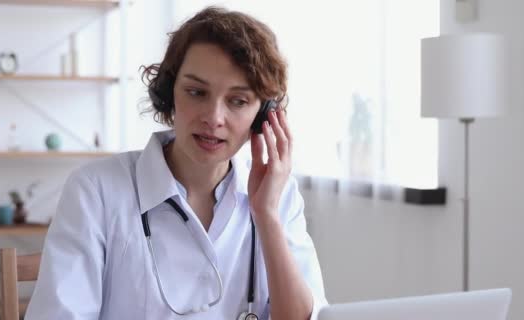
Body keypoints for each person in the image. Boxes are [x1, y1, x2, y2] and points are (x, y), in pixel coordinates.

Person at [24, 6, 327, 320]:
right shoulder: (95, 190)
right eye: (196, 92)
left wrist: (266, 216)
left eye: (238, 101)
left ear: (263, 115)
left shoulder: (278, 196)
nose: (213, 118)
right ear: (168, 93)